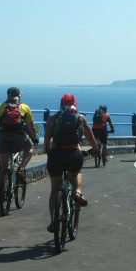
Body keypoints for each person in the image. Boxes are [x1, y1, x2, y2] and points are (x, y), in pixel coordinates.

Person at [44, 93, 98, 233]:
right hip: (73, 154)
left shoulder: (53, 118)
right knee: (76, 173)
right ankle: (78, 193)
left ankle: (53, 222)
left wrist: (50, 153)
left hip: (56, 155)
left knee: (55, 189)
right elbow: (91, 138)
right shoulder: (80, 118)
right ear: (75, 103)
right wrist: (95, 149)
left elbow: (47, 140)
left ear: (60, 104)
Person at [0, 87, 39, 212]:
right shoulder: (24, 107)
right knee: (29, 147)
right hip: (19, 137)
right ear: (19, 96)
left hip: (2, 137)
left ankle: (1, 191)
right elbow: (31, 127)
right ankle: (21, 168)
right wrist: (34, 139)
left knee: (2, 166)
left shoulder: (0, 106)